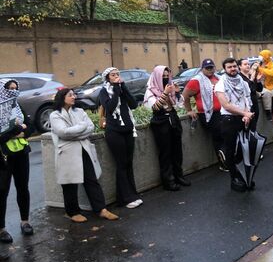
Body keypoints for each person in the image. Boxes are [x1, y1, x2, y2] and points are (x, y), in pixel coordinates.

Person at [50, 88, 119, 222]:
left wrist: (76, 132)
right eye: (70, 95)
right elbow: (63, 132)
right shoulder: (55, 115)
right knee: (69, 183)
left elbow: (91, 127)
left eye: (74, 94)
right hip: (67, 152)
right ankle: (72, 212)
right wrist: (82, 128)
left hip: (84, 148)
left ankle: (101, 209)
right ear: (62, 98)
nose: (74, 97)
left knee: (91, 179)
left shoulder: (80, 111)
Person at [98, 67, 142, 209]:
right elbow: (109, 108)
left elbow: (134, 104)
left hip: (128, 130)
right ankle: (125, 198)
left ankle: (131, 194)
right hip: (114, 131)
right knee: (121, 164)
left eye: (118, 74)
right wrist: (116, 91)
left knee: (128, 163)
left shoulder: (122, 89)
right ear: (107, 78)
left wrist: (124, 88)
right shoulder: (104, 92)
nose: (117, 76)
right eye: (113, 75)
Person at [144, 65, 188, 192]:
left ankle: (179, 176)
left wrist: (177, 92)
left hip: (173, 119)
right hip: (160, 122)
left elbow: (179, 105)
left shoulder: (170, 87)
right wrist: (165, 93)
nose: (165, 78)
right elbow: (155, 107)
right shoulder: (151, 90)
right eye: (162, 76)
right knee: (165, 152)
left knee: (177, 150)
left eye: (166, 76)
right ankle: (168, 181)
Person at [0, 79, 34, 243]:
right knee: (2, 192)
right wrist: (18, 130)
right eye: (10, 89)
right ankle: (1, 229)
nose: (13, 92)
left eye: (16, 88)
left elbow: (31, 126)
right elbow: (2, 135)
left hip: (21, 153)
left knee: (23, 187)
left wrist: (18, 132)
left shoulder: (18, 106)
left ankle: (25, 221)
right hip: (3, 156)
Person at [215, 58, 256, 192]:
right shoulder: (220, 84)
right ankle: (234, 179)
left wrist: (246, 114)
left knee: (245, 149)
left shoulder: (242, 82)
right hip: (229, 119)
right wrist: (244, 113)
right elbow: (226, 105)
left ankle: (245, 177)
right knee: (230, 150)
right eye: (229, 67)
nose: (233, 69)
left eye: (234, 66)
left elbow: (247, 99)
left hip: (243, 118)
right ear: (225, 69)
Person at [182, 59, 226, 171]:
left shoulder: (218, 78)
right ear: (202, 69)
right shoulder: (196, 81)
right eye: (207, 68)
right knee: (219, 136)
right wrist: (189, 110)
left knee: (226, 135)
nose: (210, 70)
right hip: (208, 114)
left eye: (212, 67)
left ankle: (229, 159)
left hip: (223, 112)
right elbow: (185, 96)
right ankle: (223, 163)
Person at [238, 58, 263, 131]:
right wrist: (251, 80)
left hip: (254, 102)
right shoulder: (239, 77)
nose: (248, 66)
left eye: (248, 64)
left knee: (254, 125)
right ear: (240, 66)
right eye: (245, 64)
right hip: (246, 105)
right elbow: (246, 90)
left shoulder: (251, 75)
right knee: (248, 127)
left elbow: (259, 89)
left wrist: (258, 81)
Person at [257, 50, 273, 119]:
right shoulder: (258, 64)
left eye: (262, 55)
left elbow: (272, 73)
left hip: (271, 85)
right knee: (267, 93)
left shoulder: (272, 64)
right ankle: (268, 111)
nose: (260, 57)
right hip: (260, 86)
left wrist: (261, 69)